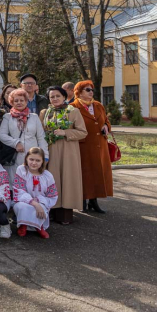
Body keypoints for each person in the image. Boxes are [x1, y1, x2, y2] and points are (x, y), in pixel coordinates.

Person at [39, 86, 87, 224]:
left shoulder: (73, 111)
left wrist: (65, 132)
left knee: (67, 180)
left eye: (58, 96)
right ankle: (51, 211)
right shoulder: (44, 112)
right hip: (51, 150)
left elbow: (83, 132)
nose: (55, 99)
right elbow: (40, 131)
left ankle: (65, 214)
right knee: (52, 180)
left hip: (68, 151)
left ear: (64, 97)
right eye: (52, 97)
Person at [70, 80, 113, 213]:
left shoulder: (98, 105)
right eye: (88, 90)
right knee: (85, 174)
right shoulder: (73, 107)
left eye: (92, 90)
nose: (91, 92)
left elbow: (106, 120)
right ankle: (82, 201)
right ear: (79, 92)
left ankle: (94, 201)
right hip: (83, 146)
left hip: (100, 145)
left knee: (98, 173)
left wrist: (106, 126)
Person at [0, 88, 49, 183]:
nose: (19, 103)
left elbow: (41, 137)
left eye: (22, 100)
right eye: (16, 100)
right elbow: (2, 135)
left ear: (26, 101)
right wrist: (16, 143)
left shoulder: (34, 117)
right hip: (15, 156)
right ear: (11, 102)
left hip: (33, 156)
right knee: (15, 182)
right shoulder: (7, 117)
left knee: (32, 182)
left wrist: (45, 155)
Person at [12, 147, 58, 239]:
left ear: (42, 161)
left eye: (37, 160)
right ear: (26, 159)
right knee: (22, 206)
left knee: (42, 208)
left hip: (41, 202)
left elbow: (52, 195)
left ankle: (39, 227)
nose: (34, 163)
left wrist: (39, 202)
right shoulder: (21, 170)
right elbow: (19, 190)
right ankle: (23, 225)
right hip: (24, 201)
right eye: (31, 159)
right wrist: (34, 203)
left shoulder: (48, 176)